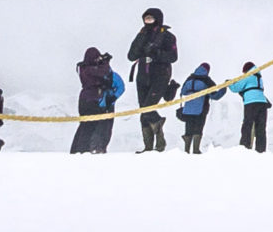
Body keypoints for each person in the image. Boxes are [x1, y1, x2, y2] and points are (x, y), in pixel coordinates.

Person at [128, 8, 179, 153]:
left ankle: (160, 140)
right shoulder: (142, 35)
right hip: (142, 76)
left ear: (158, 19)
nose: (148, 21)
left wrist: (157, 54)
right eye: (146, 18)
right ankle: (149, 147)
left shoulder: (168, 36)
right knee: (143, 110)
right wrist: (140, 39)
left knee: (148, 108)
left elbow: (173, 57)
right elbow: (131, 56)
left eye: (151, 18)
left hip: (160, 75)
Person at [72, 48, 119, 154]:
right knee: (92, 126)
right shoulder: (91, 70)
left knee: (85, 125)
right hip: (93, 100)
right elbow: (104, 71)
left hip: (84, 100)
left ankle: (77, 150)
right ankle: (85, 149)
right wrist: (106, 62)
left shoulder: (83, 68)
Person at [176, 63, 217, 154]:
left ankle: (186, 150)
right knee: (198, 129)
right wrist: (223, 89)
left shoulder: (190, 78)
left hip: (188, 108)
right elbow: (215, 94)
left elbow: (183, 91)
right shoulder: (207, 80)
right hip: (201, 108)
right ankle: (196, 150)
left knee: (188, 129)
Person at [231, 62, 269, 152]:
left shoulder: (249, 76)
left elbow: (236, 88)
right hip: (262, 103)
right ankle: (261, 150)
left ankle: (245, 148)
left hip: (251, 103)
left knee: (247, 125)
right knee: (261, 128)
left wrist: (229, 83)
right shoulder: (259, 77)